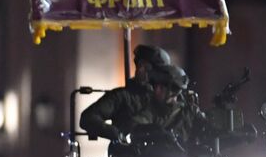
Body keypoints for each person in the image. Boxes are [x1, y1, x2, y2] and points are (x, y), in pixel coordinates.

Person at [80, 62, 210, 151]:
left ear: (173, 90)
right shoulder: (150, 107)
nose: (156, 90)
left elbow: (207, 128)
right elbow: (136, 123)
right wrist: (120, 133)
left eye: (161, 87)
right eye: (155, 85)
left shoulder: (189, 111)